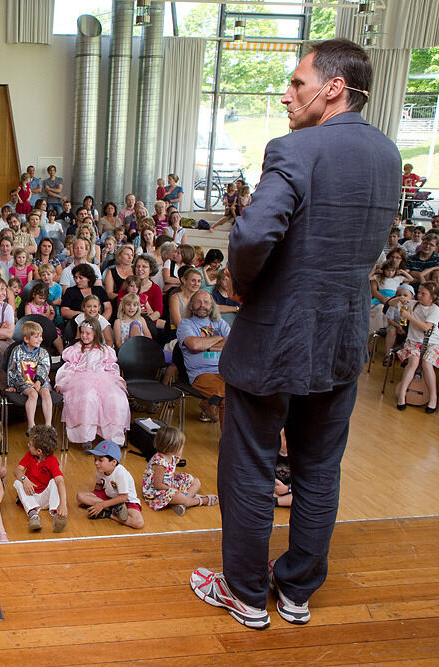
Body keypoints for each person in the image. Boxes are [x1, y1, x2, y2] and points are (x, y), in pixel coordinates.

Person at [190, 40, 402, 631]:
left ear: (334, 87)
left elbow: (254, 236)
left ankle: (246, 594)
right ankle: (298, 592)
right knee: (318, 469)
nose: (286, 93)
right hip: (343, 337)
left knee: (251, 466)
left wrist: (247, 288)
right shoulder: (388, 154)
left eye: (297, 82)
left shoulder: (296, 148)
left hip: (276, 335)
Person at [55, 320, 129, 448]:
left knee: (116, 398)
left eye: (88, 333)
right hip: (80, 379)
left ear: (96, 334)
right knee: (88, 397)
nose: (84, 336)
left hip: (104, 378)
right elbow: (70, 367)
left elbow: (110, 367)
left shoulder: (105, 350)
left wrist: (118, 380)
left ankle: (113, 437)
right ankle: (85, 436)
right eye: (82, 332)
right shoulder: (76, 349)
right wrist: (62, 381)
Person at [177, 291, 231, 425]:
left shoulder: (220, 323)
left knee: (245, 390)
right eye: (198, 302)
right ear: (191, 306)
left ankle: (210, 402)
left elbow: (233, 344)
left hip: (225, 372)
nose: (202, 305)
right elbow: (194, 345)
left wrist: (205, 345)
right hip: (202, 374)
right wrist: (218, 338)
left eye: (206, 302)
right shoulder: (185, 324)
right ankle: (228, 444)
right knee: (228, 399)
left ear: (212, 306)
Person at [143, 426, 216, 516]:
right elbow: (157, 485)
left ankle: (183, 503)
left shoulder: (172, 456)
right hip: (157, 491)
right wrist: (173, 489)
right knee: (181, 497)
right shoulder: (160, 463)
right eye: (181, 446)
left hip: (169, 483)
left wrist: (177, 477)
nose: (183, 447)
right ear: (172, 447)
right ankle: (200, 501)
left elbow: (169, 473)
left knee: (196, 482)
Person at [75, 440, 144, 529]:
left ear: (114, 462)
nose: (96, 463)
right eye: (95, 459)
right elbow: (99, 486)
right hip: (109, 496)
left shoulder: (120, 473)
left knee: (138, 523)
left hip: (126, 501)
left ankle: (108, 514)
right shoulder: (100, 470)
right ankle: (114, 509)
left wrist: (101, 505)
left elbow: (124, 497)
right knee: (80, 496)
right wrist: (94, 498)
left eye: (100, 460)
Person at [394, 281, 439, 411]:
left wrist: (409, 317)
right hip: (413, 342)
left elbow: (426, 327)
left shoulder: (435, 310)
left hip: (432, 343)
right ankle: (402, 394)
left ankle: (433, 398)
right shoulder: (413, 305)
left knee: (426, 363)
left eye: (423, 294)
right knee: (413, 362)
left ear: (433, 296)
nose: (419, 295)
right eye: (418, 292)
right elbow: (390, 304)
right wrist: (399, 298)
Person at [12, 425, 67, 533]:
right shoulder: (29, 455)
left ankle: (57, 515)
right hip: (30, 495)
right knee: (17, 482)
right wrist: (25, 479)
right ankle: (33, 515)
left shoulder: (52, 461)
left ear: (39, 451)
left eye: (30, 444)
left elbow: (60, 481)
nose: (28, 445)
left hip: (45, 498)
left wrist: (63, 504)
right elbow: (17, 470)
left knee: (54, 482)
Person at [6, 321, 52, 432]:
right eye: (36, 337)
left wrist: (38, 382)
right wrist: (12, 385)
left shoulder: (43, 352)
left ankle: (48, 425)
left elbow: (44, 368)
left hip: (40, 381)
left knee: (46, 393)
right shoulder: (17, 351)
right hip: (23, 381)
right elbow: (12, 368)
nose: (40, 339)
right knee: (33, 394)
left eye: (40, 336)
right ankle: (31, 425)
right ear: (26, 339)